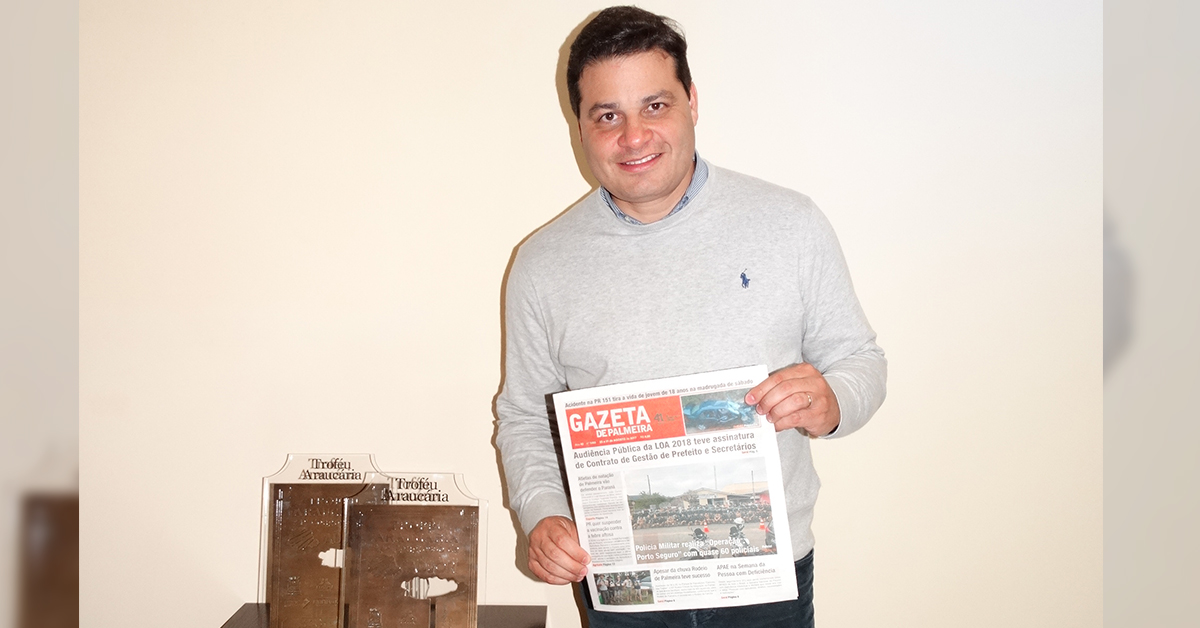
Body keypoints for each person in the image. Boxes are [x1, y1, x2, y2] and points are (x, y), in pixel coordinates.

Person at [495, 6, 886, 627]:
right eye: (607, 116)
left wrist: (833, 400)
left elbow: (859, 360)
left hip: (767, 584)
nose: (634, 137)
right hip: (624, 587)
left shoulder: (789, 223)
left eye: (655, 106)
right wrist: (541, 511)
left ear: (692, 102)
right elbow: (523, 416)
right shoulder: (542, 264)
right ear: (580, 126)